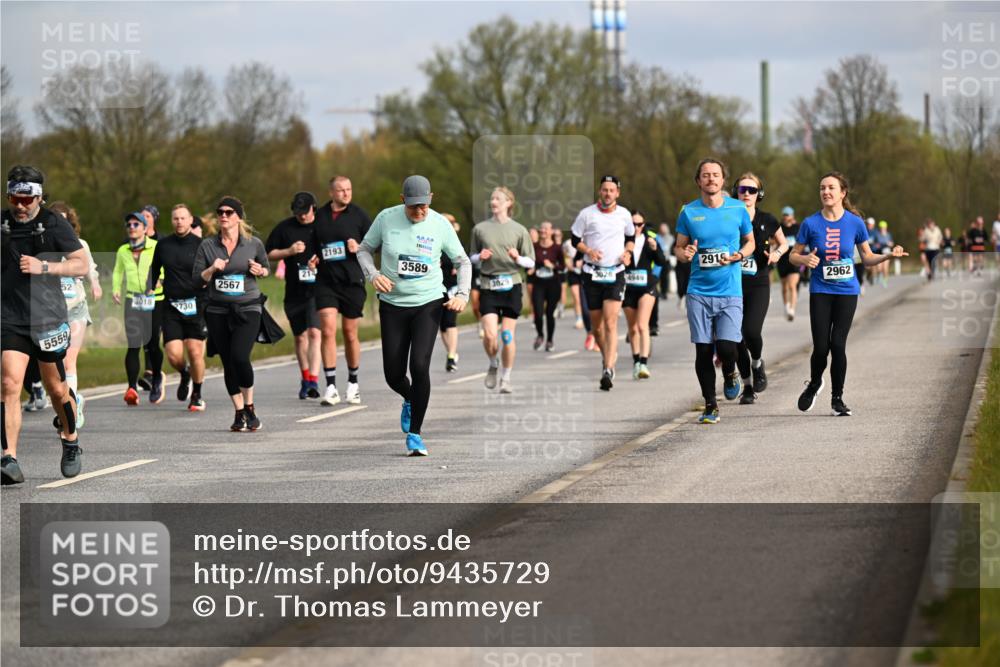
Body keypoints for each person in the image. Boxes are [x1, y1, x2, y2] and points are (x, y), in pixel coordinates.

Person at [357, 175, 471, 456]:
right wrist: (373, 275)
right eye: (413, 206)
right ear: (402, 201)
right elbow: (363, 250)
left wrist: (462, 295)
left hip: (428, 302)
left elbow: (462, 260)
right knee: (393, 374)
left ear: (431, 198)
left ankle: (415, 434)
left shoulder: (440, 224)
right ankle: (409, 398)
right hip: (393, 304)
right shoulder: (386, 219)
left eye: (424, 205)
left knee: (419, 366)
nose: (419, 211)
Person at [791, 172, 907, 416]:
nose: (826, 192)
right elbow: (793, 255)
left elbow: (866, 257)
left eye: (831, 188)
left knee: (838, 344)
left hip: (846, 291)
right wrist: (804, 258)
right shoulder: (810, 224)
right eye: (822, 188)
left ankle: (837, 399)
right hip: (820, 290)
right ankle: (814, 383)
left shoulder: (855, 223)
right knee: (821, 347)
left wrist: (888, 255)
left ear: (842, 193)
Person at [2, 165, 87, 484]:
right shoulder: (3, 223)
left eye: (26, 198)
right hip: (10, 316)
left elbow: (80, 262)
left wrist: (45, 266)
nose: (20, 205)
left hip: (48, 317)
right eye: (14, 197)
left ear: (38, 196)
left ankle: (70, 440)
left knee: (56, 388)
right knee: (9, 383)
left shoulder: (53, 224)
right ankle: (8, 457)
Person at [674, 159, 754, 424]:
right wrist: (684, 254)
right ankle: (710, 404)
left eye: (716, 175)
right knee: (703, 351)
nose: (711, 179)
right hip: (698, 291)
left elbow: (750, 241)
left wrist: (740, 255)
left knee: (727, 347)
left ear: (722, 181)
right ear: (698, 181)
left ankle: (730, 372)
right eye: (706, 175)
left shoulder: (738, 208)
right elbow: (679, 248)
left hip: (730, 290)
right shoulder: (688, 212)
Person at [193, 196, 270, 432]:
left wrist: (260, 270)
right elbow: (197, 280)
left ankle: (250, 406)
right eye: (220, 212)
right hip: (217, 310)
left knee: (239, 357)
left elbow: (266, 268)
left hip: (248, 307)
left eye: (229, 212)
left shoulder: (253, 243)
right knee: (228, 362)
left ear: (238, 216)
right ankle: (238, 412)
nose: (223, 216)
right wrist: (211, 269)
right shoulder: (207, 245)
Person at [571, 175, 636, 391]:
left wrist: (627, 253)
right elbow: (574, 240)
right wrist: (589, 250)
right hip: (592, 273)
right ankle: (606, 354)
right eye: (604, 190)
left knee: (611, 323)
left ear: (617, 193)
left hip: (615, 273)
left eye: (611, 190)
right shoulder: (587, 214)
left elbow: (631, 237)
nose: (607, 193)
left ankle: (608, 368)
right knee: (596, 327)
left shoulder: (624, 215)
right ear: (600, 191)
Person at [313, 176, 372, 406]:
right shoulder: (319, 217)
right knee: (327, 330)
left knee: (349, 332)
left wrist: (359, 248)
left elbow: (374, 244)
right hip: (326, 281)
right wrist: (313, 257)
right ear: (331, 193)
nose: (346, 193)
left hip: (352, 281)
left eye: (349, 189)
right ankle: (330, 386)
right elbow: (313, 245)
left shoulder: (359, 215)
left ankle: (353, 383)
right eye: (341, 190)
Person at [470, 187, 535, 393]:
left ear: (508, 203)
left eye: (498, 198)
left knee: (507, 336)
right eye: (492, 198)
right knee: (489, 335)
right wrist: (480, 257)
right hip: (488, 284)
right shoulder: (479, 229)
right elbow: (470, 258)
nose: (494, 201)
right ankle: (493, 363)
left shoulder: (519, 230)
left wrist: (517, 258)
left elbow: (530, 261)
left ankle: (506, 378)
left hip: (512, 285)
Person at [730, 174, 787, 404]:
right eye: (742, 189)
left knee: (751, 331)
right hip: (731, 282)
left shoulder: (768, 219)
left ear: (759, 195)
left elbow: (784, 243)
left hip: (759, 282)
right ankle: (748, 387)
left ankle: (757, 363)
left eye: (752, 190)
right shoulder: (729, 217)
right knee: (735, 338)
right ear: (736, 191)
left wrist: (776, 255)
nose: (746, 193)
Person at [147, 203, 208, 411]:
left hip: (196, 305)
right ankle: (184, 373)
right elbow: (154, 268)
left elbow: (211, 272)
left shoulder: (201, 245)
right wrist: (151, 285)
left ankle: (197, 393)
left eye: (183, 218)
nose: (179, 222)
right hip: (171, 306)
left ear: (190, 220)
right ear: (172, 221)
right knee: (173, 355)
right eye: (175, 218)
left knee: (195, 351)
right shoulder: (163, 245)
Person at [49, 201, 101, 426]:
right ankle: (70, 398)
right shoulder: (43, 247)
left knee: (69, 361)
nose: (60, 223)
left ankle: (70, 406)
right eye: (55, 219)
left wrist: (95, 285)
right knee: (54, 366)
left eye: (64, 219)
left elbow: (90, 268)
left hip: (76, 309)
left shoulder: (80, 245)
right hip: (50, 312)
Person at [266, 192, 322, 399]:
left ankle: (315, 380)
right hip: (294, 291)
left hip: (318, 290)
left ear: (313, 208)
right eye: (298, 213)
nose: (302, 217)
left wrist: (320, 260)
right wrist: (288, 251)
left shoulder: (322, 225)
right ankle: (305, 379)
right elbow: (268, 253)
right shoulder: (285, 228)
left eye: (305, 212)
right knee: (300, 337)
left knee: (315, 333)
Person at [113, 211, 165, 405]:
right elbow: (118, 271)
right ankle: (132, 388)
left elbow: (166, 267)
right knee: (133, 344)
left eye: (136, 224)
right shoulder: (122, 250)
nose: (132, 228)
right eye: (129, 225)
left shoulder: (156, 247)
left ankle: (157, 377)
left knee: (151, 344)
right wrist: (116, 289)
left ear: (145, 228)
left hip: (154, 300)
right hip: (132, 300)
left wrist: (160, 280)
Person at [623, 211, 668, 379]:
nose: (636, 228)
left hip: (647, 287)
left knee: (643, 325)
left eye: (639, 224)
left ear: (644, 225)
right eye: (633, 224)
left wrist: (655, 249)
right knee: (632, 328)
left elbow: (662, 261)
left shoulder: (651, 241)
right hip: (628, 288)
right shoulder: (622, 242)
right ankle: (636, 362)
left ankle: (643, 364)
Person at [529, 221, 564, 352]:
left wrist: (553, 266)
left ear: (551, 232)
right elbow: (529, 261)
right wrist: (531, 267)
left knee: (550, 313)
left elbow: (563, 266)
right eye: (541, 228)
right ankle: (540, 335)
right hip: (538, 284)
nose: (543, 230)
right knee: (538, 312)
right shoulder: (534, 246)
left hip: (553, 284)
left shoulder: (557, 248)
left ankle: (550, 340)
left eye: (546, 229)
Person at [438, 213, 462, 372]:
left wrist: (457, 266)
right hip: (437, 288)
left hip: (452, 288)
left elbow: (464, 261)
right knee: (442, 325)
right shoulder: (434, 240)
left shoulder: (455, 242)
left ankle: (452, 356)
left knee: (450, 321)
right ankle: (451, 353)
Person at [775, 206, 801, 321]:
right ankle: (786, 306)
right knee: (785, 287)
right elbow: (772, 240)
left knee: (792, 285)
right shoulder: (779, 228)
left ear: (792, 216)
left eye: (788, 215)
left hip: (794, 260)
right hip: (782, 261)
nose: (786, 217)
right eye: (784, 215)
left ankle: (792, 309)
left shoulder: (798, 227)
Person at [552, 227, 568, 319]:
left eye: (558, 235)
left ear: (561, 236)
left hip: (563, 271)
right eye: (555, 235)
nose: (556, 237)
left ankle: (561, 308)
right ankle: (556, 307)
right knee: (555, 290)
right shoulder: (552, 245)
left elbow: (568, 258)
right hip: (554, 271)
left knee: (563, 290)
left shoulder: (564, 246)